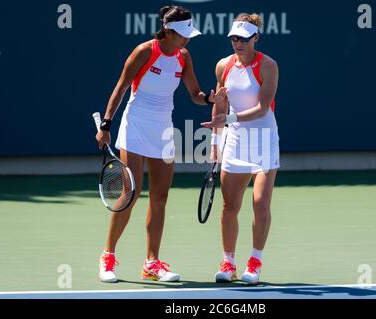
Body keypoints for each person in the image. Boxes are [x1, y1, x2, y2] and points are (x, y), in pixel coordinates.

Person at [96, 5, 226, 283]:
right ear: (167, 31)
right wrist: (106, 124)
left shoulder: (183, 56)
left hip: (163, 128)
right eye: (182, 34)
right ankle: (107, 256)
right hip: (136, 124)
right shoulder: (145, 51)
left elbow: (194, 93)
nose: (187, 39)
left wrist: (208, 100)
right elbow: (120, 87)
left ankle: (151, 263)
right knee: (130, 193)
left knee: (160, 197)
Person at [201, 13, 280, 285]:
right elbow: (220, 104)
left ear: (255, 37)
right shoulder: (223, 65)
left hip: (263, 139)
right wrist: (215, 141)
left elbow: (262, 108)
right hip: (234, 140)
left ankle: (255, 262)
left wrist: (229, 119)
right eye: (234, 38)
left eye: (244, 39)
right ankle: (228, 262)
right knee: (229, 205)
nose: (238, 43)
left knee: (260, 203)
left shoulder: (268, 66)